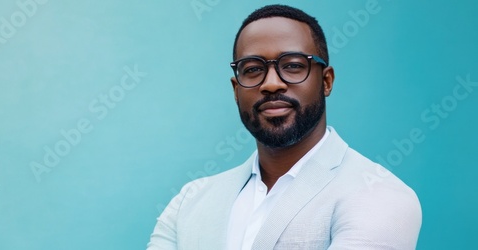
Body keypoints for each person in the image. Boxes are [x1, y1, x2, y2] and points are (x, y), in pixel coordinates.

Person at [147, 4, 422, 250]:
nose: (271, 83)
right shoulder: (191, 201)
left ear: (326, 81)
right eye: (253, 69)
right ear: (235, 89)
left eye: (292, 65)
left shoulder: (378, 192)